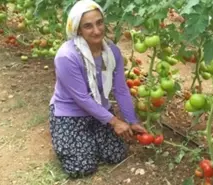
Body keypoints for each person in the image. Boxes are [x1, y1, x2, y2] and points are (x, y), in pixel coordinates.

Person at [48, 0, 147, 177]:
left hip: (100, 109)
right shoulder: (67, 56)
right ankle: (76, 140)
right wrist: (115, 122)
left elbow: (121, 89)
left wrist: (132, 120)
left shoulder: (112, 52)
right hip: (70, 113)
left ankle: (90, 138)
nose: (96, 30)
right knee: (82, 166)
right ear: (78, 29)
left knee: (116, 154)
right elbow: (82, 99)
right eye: (88, 26)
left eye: (99, 23)